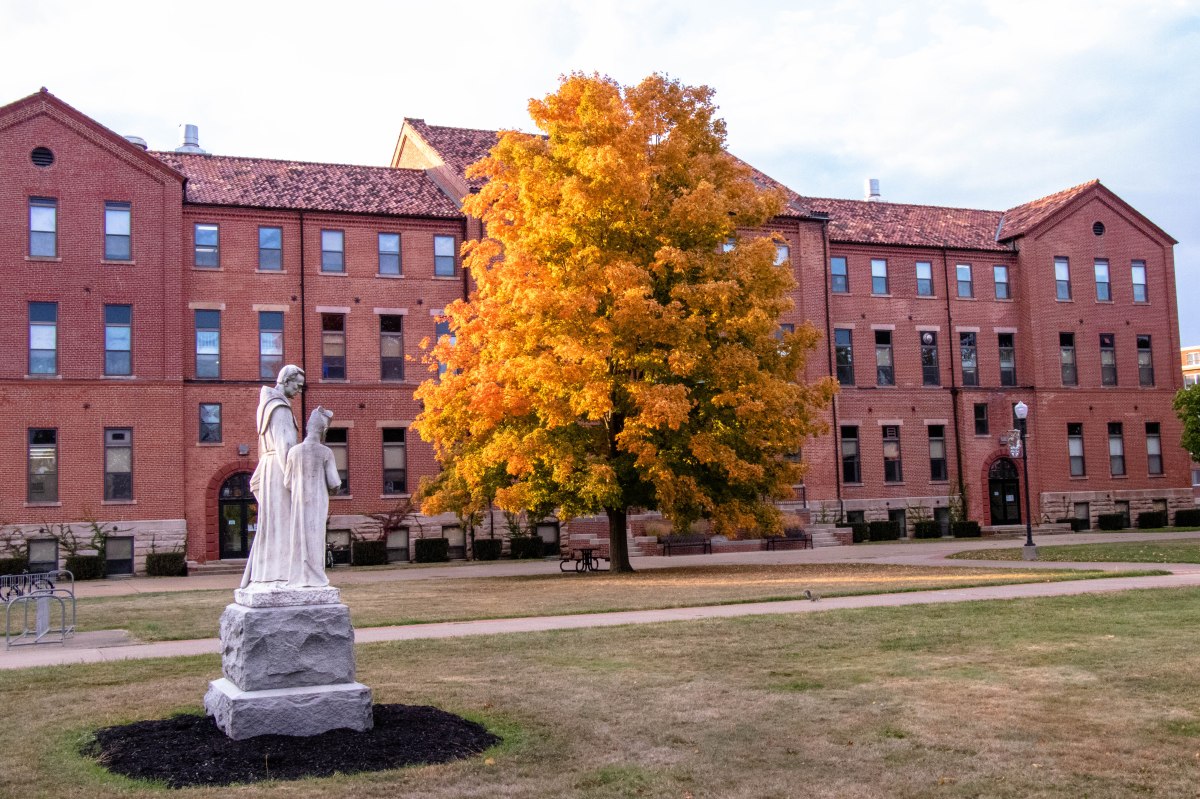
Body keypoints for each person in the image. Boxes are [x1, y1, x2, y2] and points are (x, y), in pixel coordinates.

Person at [240, 365, 304, 588]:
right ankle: (283, 575)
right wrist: (295, 480)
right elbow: (285, 446)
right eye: (298, 385)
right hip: (279, 470)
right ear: (286, 381)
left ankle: (270, 573)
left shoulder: (266, 405)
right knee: (284, 522)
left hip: (268, 467)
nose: (299, 390)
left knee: (274, 523)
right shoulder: (280, 409)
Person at [282, 407, 342, 588]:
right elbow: (334, 483)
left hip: (299, 503)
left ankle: (299, 576)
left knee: (299, 539)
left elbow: (287, 482)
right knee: (315, 538)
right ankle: (315, 577)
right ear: (323, 430)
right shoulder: (325, 452)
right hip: (317, 503)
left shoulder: (294, 452)